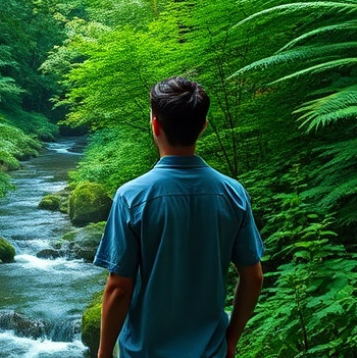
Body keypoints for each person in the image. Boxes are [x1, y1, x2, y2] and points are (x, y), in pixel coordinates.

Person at [93, 76, 265, 358]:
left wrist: (102, 353)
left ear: (155, 125)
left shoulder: (131, 197)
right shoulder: (233, 194)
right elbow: (253, 276)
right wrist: (230, 340)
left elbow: (119, 288)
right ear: (204, 126)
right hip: (210, 352)